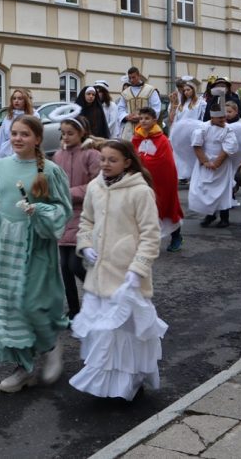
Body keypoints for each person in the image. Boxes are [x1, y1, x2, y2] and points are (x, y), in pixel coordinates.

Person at [0, 115, 72, 392]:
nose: (17, 138)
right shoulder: (1, 166)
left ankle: (51, 346)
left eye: (24, 134)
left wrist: (40, 211)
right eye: (14, 133)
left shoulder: (50, 171)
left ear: (37, 139)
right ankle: (23, 367)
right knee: (10, 306)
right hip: (6, 246)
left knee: (33, 303)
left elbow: (63, 210)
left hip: (36, 246)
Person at [71, 140, 166, 401]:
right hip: (99, 275)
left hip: (126, 277)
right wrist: (85, 245)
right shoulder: (95, 187)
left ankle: (129, 383)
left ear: (127, 162)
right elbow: (86, 220)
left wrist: (138, 268)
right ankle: (105, 384)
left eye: (112, 160)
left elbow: (150, 234)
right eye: (103, 159)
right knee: (103, 332)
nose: (105, 164)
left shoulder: (140, 191)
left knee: (126, 333)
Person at [51, 115, 101, 319]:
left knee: (75, 264)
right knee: (64, 267)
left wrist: (69, 193)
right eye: (63, 133)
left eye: (70, 133)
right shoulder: (58, 155)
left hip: (84, 214)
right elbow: (54, 180)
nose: (65, 137)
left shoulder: (91, 155)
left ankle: (99, 295)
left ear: (82, 133)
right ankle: (73, 310)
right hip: (64, 215)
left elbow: (97, 184)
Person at [132, 108, 185, 252]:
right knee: (143, 210)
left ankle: (176, 237)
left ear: (154, 121)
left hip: (162, 181)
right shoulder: (136, 138)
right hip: (142, 180)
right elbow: (132, 156)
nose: (143, 121)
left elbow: (165, 162)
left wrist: (143, 160)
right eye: (141, 118)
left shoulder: (162, 140)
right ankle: (145, 241)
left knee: (166, 206)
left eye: (147, 118)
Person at [189, 97, 239, 228]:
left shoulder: (228, 130)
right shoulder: (202, 128)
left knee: (223, 191)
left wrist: (216, 163)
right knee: (206, 190)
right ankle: (210, 215)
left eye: (224, 117)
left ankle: (224, 217)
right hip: (205, 163)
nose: (223, 120)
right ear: (212, 117)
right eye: (220, 118)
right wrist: (205, 161)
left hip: (222, 165)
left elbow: (228, 148)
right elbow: (197, 145)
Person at [115, 67, 161, 140]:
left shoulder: (150, 90)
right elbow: (120, 108)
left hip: (146, 126)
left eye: (133, 77)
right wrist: (126, 116)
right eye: (130, 78)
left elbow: (156, 107)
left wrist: (142, 117)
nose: (131, 80)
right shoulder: (125, 93)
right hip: (129, 128)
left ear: (139, 76)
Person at [0, 88, 36, 162]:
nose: (16, 101)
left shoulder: (33, 115)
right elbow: (1, 138)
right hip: (7, 155)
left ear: (25, 100)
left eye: (20, 98)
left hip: (26, 155)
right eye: (14, 98)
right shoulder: (9, 117)